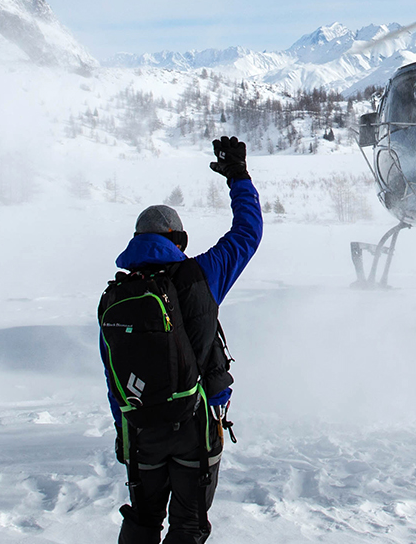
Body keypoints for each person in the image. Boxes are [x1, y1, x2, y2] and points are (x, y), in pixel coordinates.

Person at [105, 136, 261, 544]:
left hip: (141, 430)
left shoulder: (116, 297)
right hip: (195, 425)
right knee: (188, 524)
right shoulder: (202, 276)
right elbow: (248, 233)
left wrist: (126, 432)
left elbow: (113, 375)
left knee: (144, 519)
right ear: (178, 240)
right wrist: (238, 177)